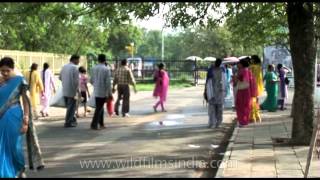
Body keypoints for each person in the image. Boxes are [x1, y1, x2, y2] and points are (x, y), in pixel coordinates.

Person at [0, 57, 44, 178]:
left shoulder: (19, 80)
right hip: (1, 118)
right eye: (2, 70)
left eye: (7, 70)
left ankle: (19, 168)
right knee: (1, 146)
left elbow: (25, 101)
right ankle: (6, 173)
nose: (4, 73)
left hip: (15, 116)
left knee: (15, 145)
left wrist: (26, 118)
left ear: (12, 69)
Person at [90, 54, 112, 130]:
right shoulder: (106, 69)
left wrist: (96, 85)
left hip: (96, 90)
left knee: (100, 107)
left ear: (98, 59)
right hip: (103, 92)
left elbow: (91, 80)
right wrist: (109, 93)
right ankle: (94, 124)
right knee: (99, 108)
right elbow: (108, 83)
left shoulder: (93, 68)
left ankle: (101, 123)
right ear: (105, 60)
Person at [59, 54, 80, 128]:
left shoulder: (64, 66)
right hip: (72, 90)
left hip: (65, 89)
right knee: (71, 107)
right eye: (78, 60)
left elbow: (60, 77)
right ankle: (68, 122)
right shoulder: (75, 68)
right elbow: (76, 81)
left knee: (69, 106)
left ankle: (72, 120)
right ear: (74, 59)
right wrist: (78, 90)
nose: (79, 61)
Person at [205, 58, 226, 128]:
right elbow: (208, 82)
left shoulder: (212, 70)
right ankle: (216, 123)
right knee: (217, 108)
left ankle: (214, 123)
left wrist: (206, 91)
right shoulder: (214, 70)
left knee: (214, 108)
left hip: (216, 92)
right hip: (215, 92)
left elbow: (207, 82)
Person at [235, 59, 252, 127]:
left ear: (242, 64)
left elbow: (242, 79)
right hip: (244, 90)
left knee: (242, 106)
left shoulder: (244, 70)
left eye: (238, 63)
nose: (237, 65)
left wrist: (236, 77)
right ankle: (243, 121)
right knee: (244, 106)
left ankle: (243, 121)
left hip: (243, 90)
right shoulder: (246, 70)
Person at [249, 55, 264, 123]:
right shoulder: (259, 67)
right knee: (256, 102)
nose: (251, 60)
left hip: (252, 86)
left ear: (254, 60)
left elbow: (250, 77)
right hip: (258, 87)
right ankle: (257, 116)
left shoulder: (252, 67)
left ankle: (253, 117)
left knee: (252, 102)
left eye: (251, 59)